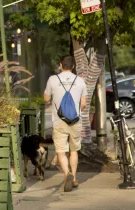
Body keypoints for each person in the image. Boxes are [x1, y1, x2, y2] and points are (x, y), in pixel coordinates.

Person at [43, 55, 87, 192]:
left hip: (59, 121)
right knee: (74, 151)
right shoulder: (80, 81)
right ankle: (73, 178)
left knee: (61, 152)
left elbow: (46, 98)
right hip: (75, 120)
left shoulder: (52, 79)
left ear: (60, 65)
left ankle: (66, 173)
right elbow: (84, 104)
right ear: (73, 66)